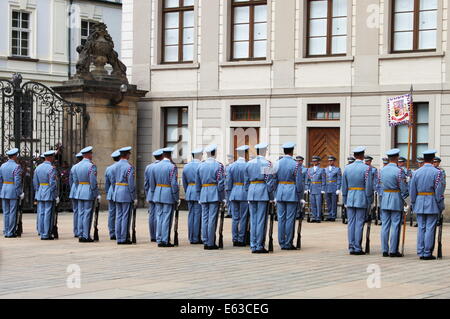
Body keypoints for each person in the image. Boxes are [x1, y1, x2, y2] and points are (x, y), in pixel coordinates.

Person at [409, 149, 445, 260]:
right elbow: (439, 192)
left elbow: (412, 190)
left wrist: (413, 203)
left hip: (419, 201)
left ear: (424, 159)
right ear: (433, 159)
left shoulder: (416, 172)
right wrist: (440, 205)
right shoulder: (437, 172)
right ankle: (427, 252)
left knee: (421, 227)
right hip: (432, 201)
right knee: (430, 227)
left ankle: (420, 251)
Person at [341, 146, 373, 255]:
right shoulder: (366, 168)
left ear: (354, 156)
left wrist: (345, 199)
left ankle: (351, 246)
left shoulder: (347, 168)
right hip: (361, 197)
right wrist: (370, 200)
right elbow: (368, 187)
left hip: (350, 196)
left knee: (351, 223)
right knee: (359, 222)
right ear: (362, 155)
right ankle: (357, 247)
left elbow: (344, 186)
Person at [273, 142, 304, 250]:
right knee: (290, 219)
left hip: (280, 192)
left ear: (284, 151)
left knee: (281, 218)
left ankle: (281, 242)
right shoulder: (296, 164)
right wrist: (300, 197)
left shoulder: (277, 163)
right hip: (292, 192)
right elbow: (299, 183)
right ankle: (288, 243)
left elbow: (273, 179)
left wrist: (274, 194)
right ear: (292, 151)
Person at [379, 149, 409, 257]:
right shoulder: (399, 171)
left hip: (385, 197)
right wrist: (407, 201)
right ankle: (393, 250)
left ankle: (384, 249)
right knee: (395, 225)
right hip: (396, 198)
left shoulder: (382, 170)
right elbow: (403, 188)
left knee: (385, 225)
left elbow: (380, 185)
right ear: (396, 158)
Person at [195, 144, 225, 250]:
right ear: (214, 152)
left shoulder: (200, 165)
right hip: (214, 193)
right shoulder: (219, 166)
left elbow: (197, 183)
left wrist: (199, 195)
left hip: (203, 192)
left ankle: (205, 240)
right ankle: (211, 242)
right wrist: (222, 197)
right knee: (212, 218)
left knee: (204, 218)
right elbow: (221, 183)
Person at [245, 143, 273, 253]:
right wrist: (271, 197)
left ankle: (253, 244)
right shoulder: (267, 163)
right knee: (261, 220)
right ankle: (259, 245)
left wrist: (248, 192)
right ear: (264, 151)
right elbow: (269, 181)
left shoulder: (249, 163)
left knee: (253, 219)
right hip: (262, 191)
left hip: (252, 190)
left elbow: (246, 181)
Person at [150, 147, 179, 247]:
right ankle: (165, 240)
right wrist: (176, 196)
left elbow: (152, 182)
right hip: (168, 194)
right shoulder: (172, 167)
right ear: (170, 155)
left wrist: (154, 193)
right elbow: (174, 183)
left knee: (159, 217)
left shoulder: (155, 166)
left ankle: (159, 238)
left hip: (158, 192)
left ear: (163, 155)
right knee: (166, 217)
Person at [74, 146, 100, 243]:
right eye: (91, 153)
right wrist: (96, 193)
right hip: (88, 191)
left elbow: (76, 181)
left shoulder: (77, 166)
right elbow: (93, 182)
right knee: (87, 214)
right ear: (88, 154)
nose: (92, 155)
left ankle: (81, 234)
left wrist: (79, 189)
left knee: (81, 213)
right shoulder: (91, 166)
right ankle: (86, 235)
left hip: (80, 191)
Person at [226, 145, 249, 247]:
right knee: (243, 217)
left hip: (234, 193)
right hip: (244, 193)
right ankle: (241, 238)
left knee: (235, 217)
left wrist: (229, 195)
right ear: (246, 153)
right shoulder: (248, 165)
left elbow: (228, 183)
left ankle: (234, 238)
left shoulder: (231, 166)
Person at [112, 146, 136, 245]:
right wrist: (133, 196)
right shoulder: (129, 167)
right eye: (129, 154)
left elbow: (113, 181)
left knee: (119, 215)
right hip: (125, 192)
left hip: (117, 191)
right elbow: (131, 183)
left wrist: (115, 190)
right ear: (127, 155)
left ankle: (118, 237)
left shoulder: (115, 166)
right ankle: (124, 237)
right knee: (125, 216)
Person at [33, 150, 59, 240]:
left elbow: (35, 183)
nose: (54, 158)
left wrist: (38, 191)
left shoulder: (38, 168)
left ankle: (41, 231)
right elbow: (52, 183)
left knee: (41, 213)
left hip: (40, 191)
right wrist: (55, 195)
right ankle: (46, 233)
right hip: (48, 192)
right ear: (50, 157)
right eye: (53, 157)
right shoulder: (51, 168)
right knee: (48, 213)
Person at [0, 148, 24, 238]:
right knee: (12, 212)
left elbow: (0, 180)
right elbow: (17, 182)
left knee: (6, 212)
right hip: (13, 190)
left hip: (4, 190)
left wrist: (1, 190)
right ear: (14, 156)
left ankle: (6, 230)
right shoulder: (16, 167)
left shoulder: (2, 166)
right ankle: (10, 232)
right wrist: (19, 193)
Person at [182, 148, 203, 245]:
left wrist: (188, 191)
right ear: (200, 155)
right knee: (198, 215)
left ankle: (191, 236)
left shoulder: (186, 166)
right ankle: (196, 237)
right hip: (199, 191)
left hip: (190, 191)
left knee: (191, 215)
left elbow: (184, 182)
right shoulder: (201, 165)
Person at [144, 149, 164, 242]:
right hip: (159, 193)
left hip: (151, 193)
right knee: (158, 215)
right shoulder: (162, 166)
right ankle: (157, 235)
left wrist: (147, 194)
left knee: (152, 215)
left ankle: (152, 235)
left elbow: (146, 183)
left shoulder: (148, 167)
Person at [105, 150, 121, 240]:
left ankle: (112, 232)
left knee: (111, 213)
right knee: (120, 213)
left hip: (111, 192)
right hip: (120, 191)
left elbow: (107, 183)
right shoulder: (122, 167)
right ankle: (119, 232)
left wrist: (108, 193)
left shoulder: (109, 168)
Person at [306, 156, 326, 223]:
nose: (314, 162)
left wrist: (323, 188)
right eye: (313, 161)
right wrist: (307, 188)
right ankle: (314, 216)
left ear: (318, 162)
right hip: (312, 188)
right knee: (313, 203)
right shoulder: (309, 170)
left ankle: (318, 217)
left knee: (318, 203)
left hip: (318, 187)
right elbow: (308, 180)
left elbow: (323, 180)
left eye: (316, 161)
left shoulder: (321, 170)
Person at [69, 152, 83, 238]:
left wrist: (73, 189)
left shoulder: (73, 167)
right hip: (80, 190)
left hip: (74, 190)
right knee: (81, 211)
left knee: (76, 211)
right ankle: (80, 230)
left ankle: (76, 231)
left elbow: (71, 181)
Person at [325, 156, 342, 222]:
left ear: (334, 161)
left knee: (334, 202)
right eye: (329, 161)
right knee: (328, 202)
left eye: (331, 161)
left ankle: (333, 215)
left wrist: (338, 188)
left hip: (334, 187)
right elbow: (324, 179)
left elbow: (339, 179)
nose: (330, 162)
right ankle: (329, 214)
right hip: (327, 187)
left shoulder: (337, 169)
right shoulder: (325, 169)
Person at [224, 154, 235, 218]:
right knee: (228, 200)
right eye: (228, 159)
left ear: (233, 159)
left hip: (233, 185)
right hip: (227, 185)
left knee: (232, 200)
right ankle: (229, 212)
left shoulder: (234, 165)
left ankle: (232, 212)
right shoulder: (226, 166)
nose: (229, 160)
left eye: (230, 159)